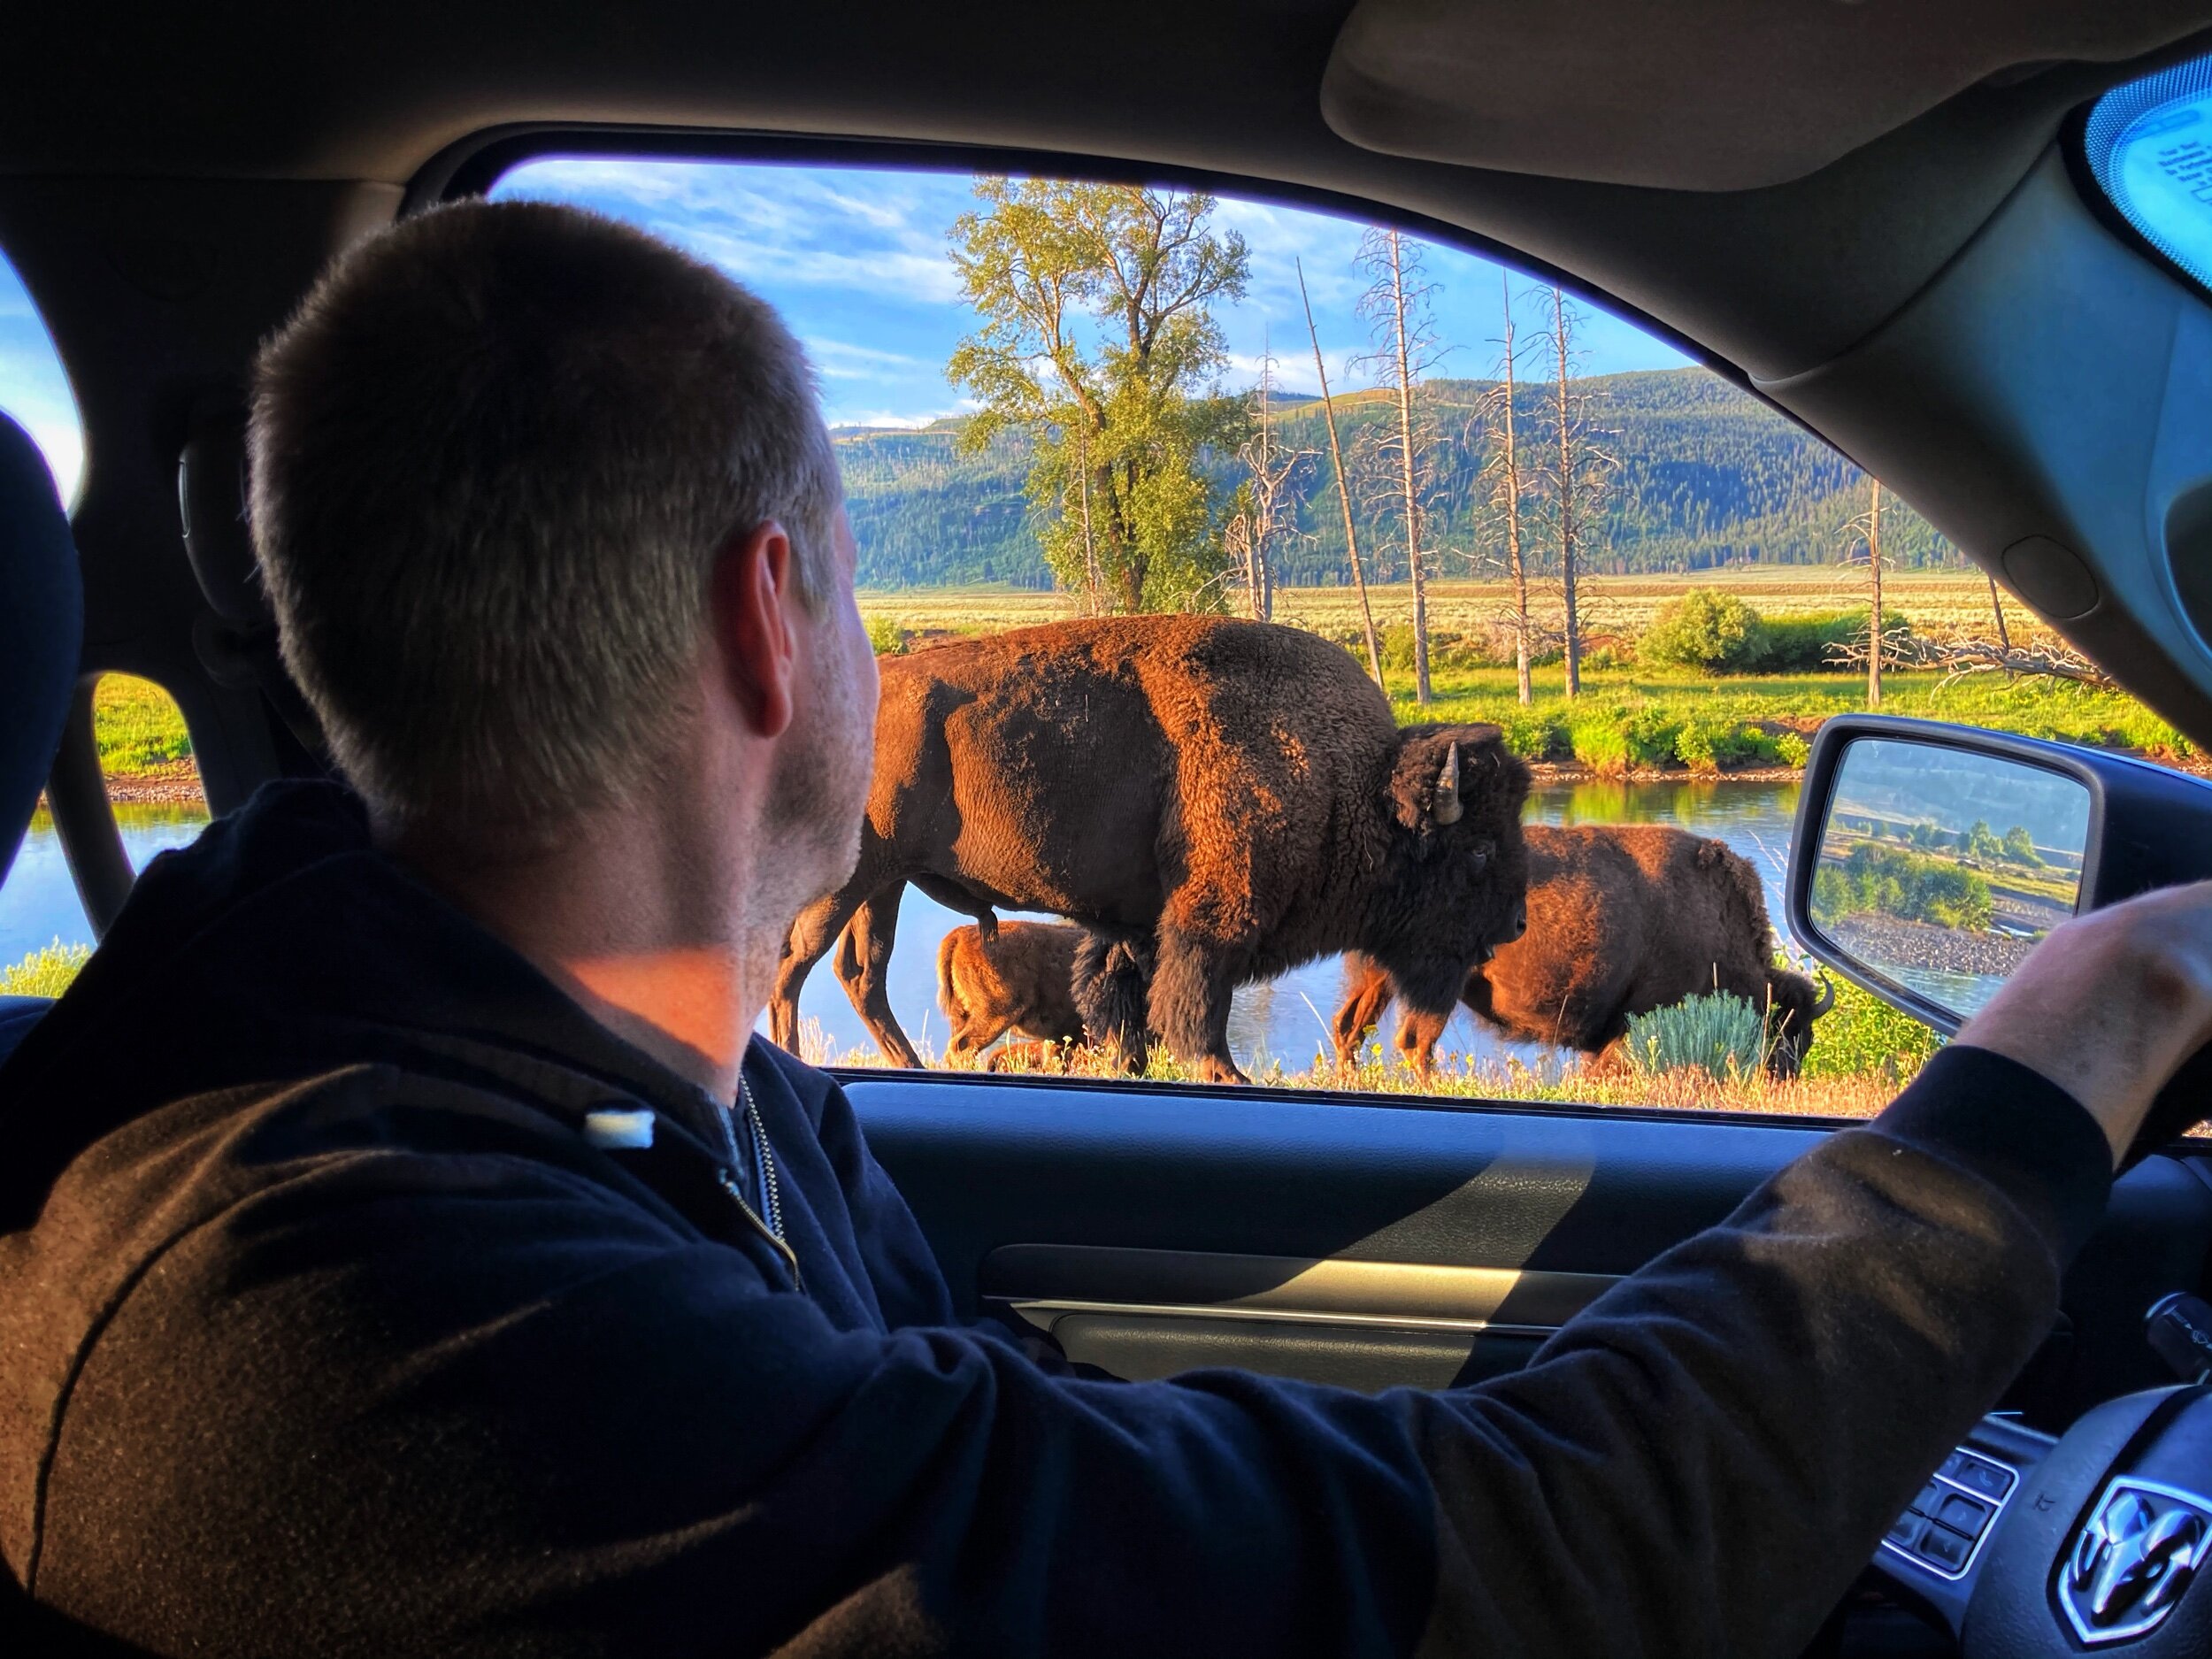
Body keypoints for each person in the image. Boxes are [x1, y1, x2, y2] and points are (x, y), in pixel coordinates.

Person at [0, 199, 2207, 1659]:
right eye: (866, 580)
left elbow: (1020, 1437)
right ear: (777, 623)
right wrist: (2086, 1011)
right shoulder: (356, 1318)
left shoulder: (660, 1083)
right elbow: (1493, 1569)